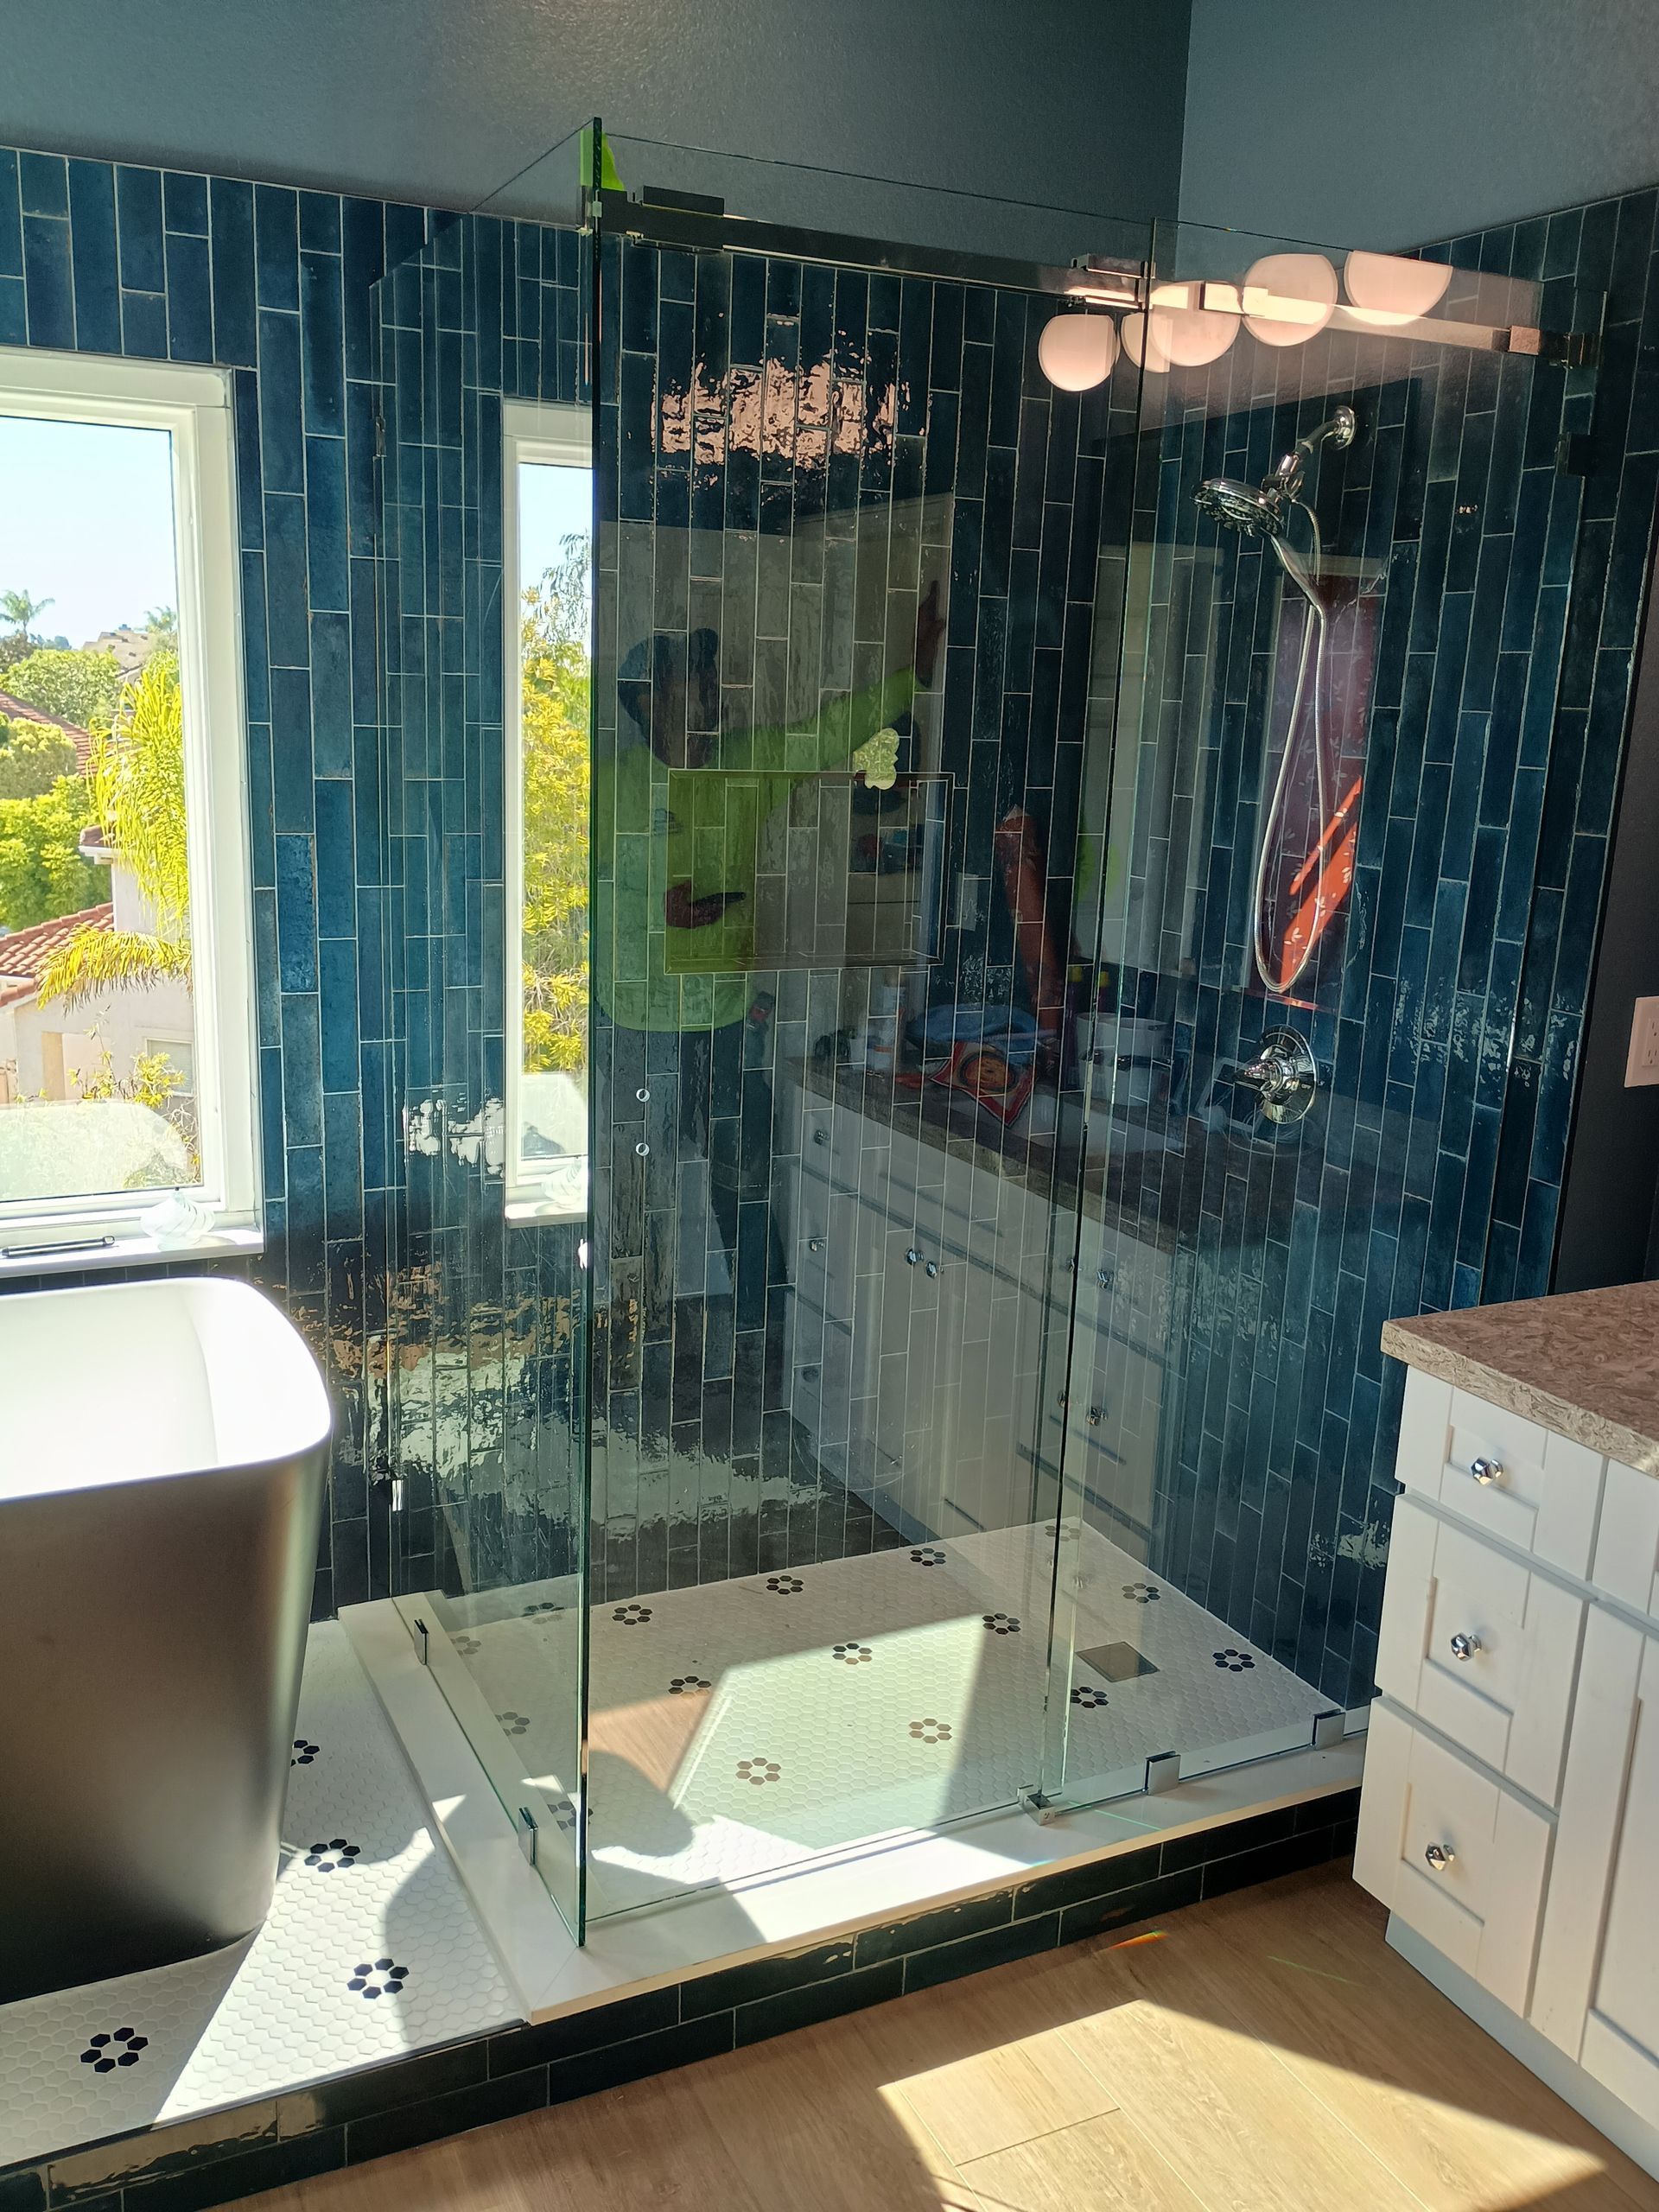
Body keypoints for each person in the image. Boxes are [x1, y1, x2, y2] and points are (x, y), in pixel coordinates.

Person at [593, 587, 944, 1336]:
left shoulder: (744, 765)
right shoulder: (612, 788)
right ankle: (630, 1330)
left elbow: (824, 735)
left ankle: (763, 1336)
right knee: (634, 1177)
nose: (712, 692)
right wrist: (656, 920)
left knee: (742, 1179)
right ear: (650, 700)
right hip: (636, 1023)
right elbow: (578, 900)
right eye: (695, 678)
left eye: (710, 678)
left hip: (721, 1017)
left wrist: (908, 678)